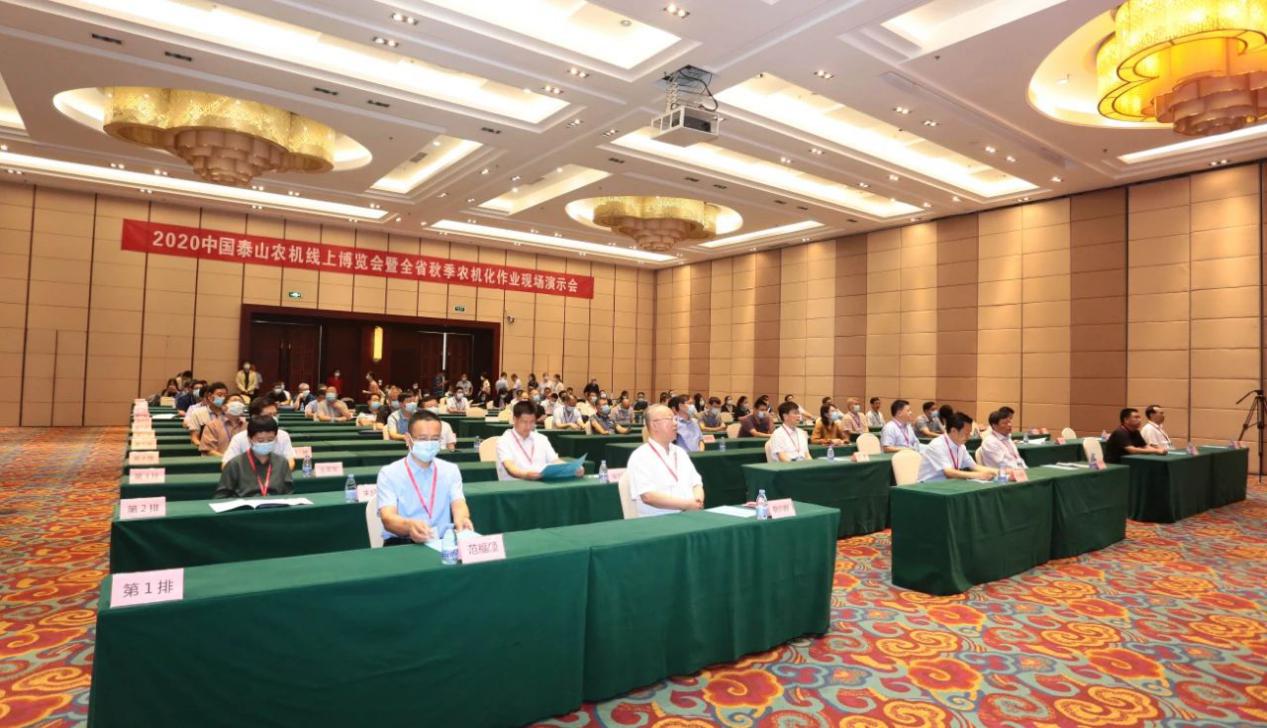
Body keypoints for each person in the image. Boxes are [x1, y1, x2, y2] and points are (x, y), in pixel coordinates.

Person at [376, 411, 474, 546]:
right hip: (403, 543)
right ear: (408, 439)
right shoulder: (389, 473)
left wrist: (462, 519)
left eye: (435, 439)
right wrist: (409, 526)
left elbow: (458, 504)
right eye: (422, 439)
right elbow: (388, 518)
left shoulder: (450, 470)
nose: (429, 443)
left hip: (442, 543)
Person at [627, 404, 705, 517]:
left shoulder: (680, 452)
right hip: (659, 520)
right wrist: (687, 505)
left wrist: (697, 501)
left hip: (689, 515)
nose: (675, 423)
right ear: (654, 425)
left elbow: (696, 483)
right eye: (670, 419)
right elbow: (648, 496)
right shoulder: (641, 456)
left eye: (675, 419)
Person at [496, 401, 582, 480]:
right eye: (524, 422)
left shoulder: (541, 438)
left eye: (532, 422)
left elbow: (555, 461)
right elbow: (510, 468)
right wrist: (526, 475)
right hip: (516, 486)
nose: (528, 426)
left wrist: (572, 469)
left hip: (541, 484)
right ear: (515, 419)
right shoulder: (504, 440)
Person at [215, 416, 294, 499]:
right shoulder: (235, 464)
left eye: (270, 440)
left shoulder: (282, 463)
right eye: (260, 440)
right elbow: (221, 497)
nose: (266, 443)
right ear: (250, 439)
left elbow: (288, 494)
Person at [917, 413, 997, 482]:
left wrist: (999, 472)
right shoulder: (937, 445)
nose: (969, 437)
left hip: (948, 485)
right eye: (966, 433)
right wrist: (977, 475)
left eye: (969, 433)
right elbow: (949, 472)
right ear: (953, 431)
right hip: (927, 487)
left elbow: (974, 466)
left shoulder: (961, 446)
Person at [222, 396, 295, 470]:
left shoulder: (283, 435)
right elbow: (226, 465)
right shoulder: (239, 438)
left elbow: (290, 462)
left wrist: (278, 475)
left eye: (275, 414)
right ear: (254, 417)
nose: (273, 418)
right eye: (268, 415)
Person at [184, 381, 228, 447]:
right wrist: (205, 448)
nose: (223, 398)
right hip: (206, 449)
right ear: (210, 396)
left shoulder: (229, 414)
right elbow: (194, 438)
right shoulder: (197, 413)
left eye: (225, 396)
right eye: (220, 395)